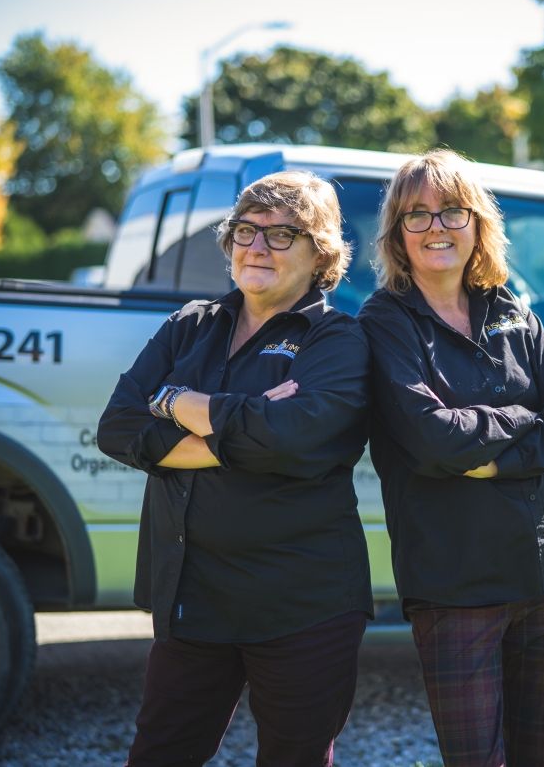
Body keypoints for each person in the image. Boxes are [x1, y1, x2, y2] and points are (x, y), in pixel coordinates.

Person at [98, 170, 373, 767]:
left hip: (303, 605)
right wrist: (241, 423)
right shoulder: (189, 325)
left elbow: (295, 439)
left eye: (282, 235)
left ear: (320, 251)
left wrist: (176, 403)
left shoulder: (339, 340)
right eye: (246, 230)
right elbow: (118, 429)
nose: (257, 246)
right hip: (192, 595)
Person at [357, 149, 544, 767]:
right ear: (397, 233)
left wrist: (492, 459)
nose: (437, 226)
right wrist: (524, 418)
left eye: (452, 211)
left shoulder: (511, 307)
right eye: (418, 215)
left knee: (538, 758)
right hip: (455, 582)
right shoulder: (384, 323)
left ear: (478, 224)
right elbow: (436, 439)